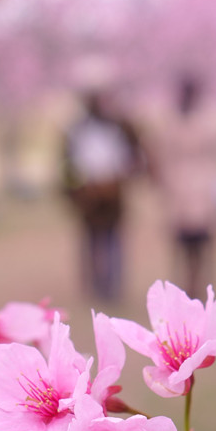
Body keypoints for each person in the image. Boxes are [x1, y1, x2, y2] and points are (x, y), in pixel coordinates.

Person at [149, 76, 216, 300]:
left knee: (204, 244)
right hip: (179, 190)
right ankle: (183, 291)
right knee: (181, 246)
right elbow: (162, 154)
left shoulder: (210, 118)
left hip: (203, 190)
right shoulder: (171, 120)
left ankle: (202, 290)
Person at [62, 88, 142, 301]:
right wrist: (78, 191)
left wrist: (120, 179)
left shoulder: (120, 127)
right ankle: (94, 286)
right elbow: (66, 167)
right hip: (88, 198)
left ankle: (112, 287)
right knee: (91, 242)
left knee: (112, 241)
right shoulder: (76, 130)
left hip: (113, 196)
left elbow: (135, 157)